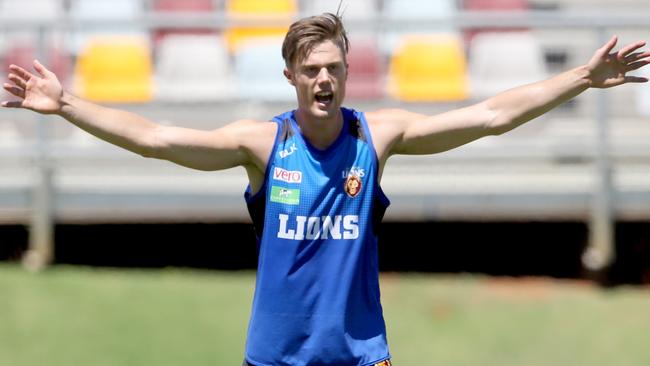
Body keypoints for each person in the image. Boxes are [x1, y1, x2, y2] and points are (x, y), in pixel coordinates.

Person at [3, 12, 649, 366]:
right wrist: (66, 106)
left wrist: (580, 82)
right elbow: (154, 137)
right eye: (310, 69)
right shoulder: (263, 146)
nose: (323, 80)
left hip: (362, 359)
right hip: (276, 360)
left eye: (334, 68)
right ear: (289, 75)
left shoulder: (377, 137)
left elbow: (488, 117)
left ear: (346, 73)